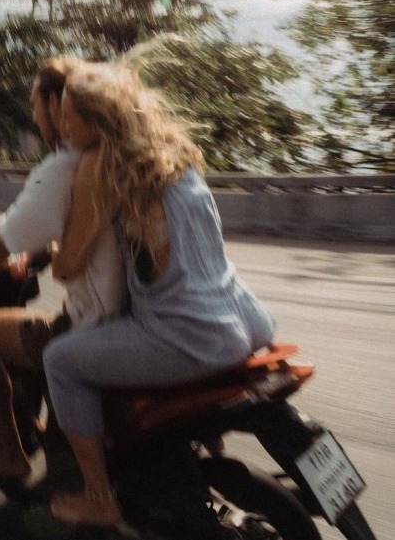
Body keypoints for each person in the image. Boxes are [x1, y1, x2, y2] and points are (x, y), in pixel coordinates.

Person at [42, 62, 277, 527]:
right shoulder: (175, 156)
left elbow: (68, 264)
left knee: (59, 361)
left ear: (97, 124)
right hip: (248, 319)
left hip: (191, 334)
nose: (63, 127)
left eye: (69, 117)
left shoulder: (106, 169)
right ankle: (200, 446)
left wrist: (52, 250)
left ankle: (99, 497)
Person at [0, 56, 127, 481]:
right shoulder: (113, 155)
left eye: (35, 105)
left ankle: (11, 455)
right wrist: (46, 252)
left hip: (92, 323)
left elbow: (2, 239)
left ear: (57, 105)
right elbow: (68, 235)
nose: (34, 117)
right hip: (130, 314)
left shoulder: (63, 167)